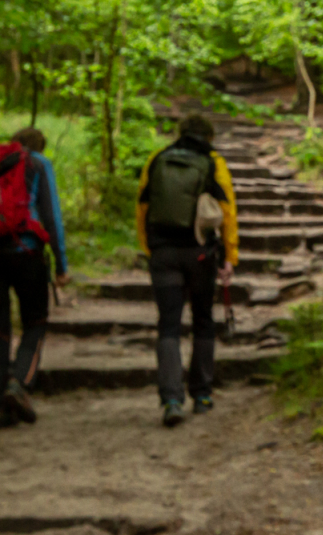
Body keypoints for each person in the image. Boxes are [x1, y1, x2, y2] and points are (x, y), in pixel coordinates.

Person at [136, 115, 238, 427]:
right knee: (203, 321)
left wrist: (149, 248)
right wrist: (230, 255)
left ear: (180, 132)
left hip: (164, 253)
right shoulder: (213, 162)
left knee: (168, 324)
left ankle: (171, 398)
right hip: (200, 255)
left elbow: (142, 206)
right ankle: (202, 395)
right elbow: (227, 211)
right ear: (209, 135)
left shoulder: (157, 159)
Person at [0, 127, 69, 429]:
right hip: (26, 251)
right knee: (35, 322)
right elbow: (51, 217)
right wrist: (61, 264)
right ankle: (19, 384)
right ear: (39, 146)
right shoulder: (38, 164)